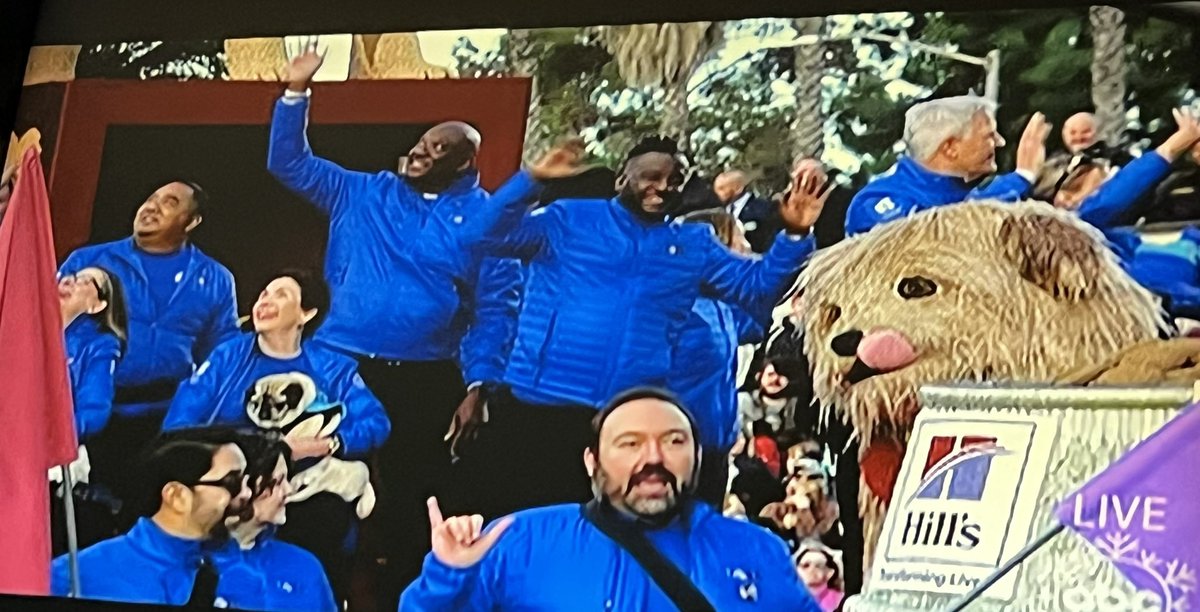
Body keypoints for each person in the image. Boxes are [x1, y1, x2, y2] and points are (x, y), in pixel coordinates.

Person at [267, 45, 577, 605]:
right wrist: (295, 93)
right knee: (315, 484)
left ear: (463, 163)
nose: (419, 150)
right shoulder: (360, 191)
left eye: (438, 147)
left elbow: (495, 311)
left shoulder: (487, 218)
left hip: (425, 377)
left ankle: (406, 597)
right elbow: (289, 162)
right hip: (339, 361)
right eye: (421, 140)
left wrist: (478, 385)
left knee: (416, 502)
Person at [468, 135, 829, 522]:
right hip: (535, 406)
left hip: (624, 418)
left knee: (611, 541)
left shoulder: (693, 245)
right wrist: (532, 179)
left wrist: (794, 235)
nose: (663, 187)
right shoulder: (569, 218)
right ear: (622, 178)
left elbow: (757, 286)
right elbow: (482, 234)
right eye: (651, 176)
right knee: (516, 528)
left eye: (675, 180)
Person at [399, 388, 822, 611]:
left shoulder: (755, 549)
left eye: (673, 441)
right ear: (592, 462)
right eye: (630, 443)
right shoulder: (519, 539)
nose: (653, 458)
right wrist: (447, 575)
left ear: (696, 458)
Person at [162, 268, 389, 604]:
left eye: (280, 294)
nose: (265, 300)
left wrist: (330, 444)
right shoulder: (228, 356)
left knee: (327, 514)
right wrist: (258, 449)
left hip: (302, 491)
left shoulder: (333, 367)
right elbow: (178, 424)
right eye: (264, 293)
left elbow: (376, 422)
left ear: (306, 313)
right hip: (236, 482)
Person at [58, 179, 238, 531]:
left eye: (169, 202)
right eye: (150, 198)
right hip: (89, 410)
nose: (151, 206)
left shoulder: (216, 279)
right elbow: (48, 322)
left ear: (192, 221)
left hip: (165, 419)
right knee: (80, 519)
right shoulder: (90, 261)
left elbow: (222, 354)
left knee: (142, 516)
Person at [51, 427, 252, 607]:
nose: (247, 494)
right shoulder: (72, 576)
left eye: (246, 480)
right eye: (232, 482)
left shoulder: (247, 573)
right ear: (176, 495)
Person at [845, 95, 1050, 236]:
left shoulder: (965, 195)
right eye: (988, 135)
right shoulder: (877, 199)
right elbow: (934, 241)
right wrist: (1019, 178)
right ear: (950, 147)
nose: (1000, 142)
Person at [669, 208, 764, 506]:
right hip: (675, 450)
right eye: (740, 239)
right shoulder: (674, 309)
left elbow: (762, 318)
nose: (748, 247)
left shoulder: (722, 307)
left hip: (715, 451)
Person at [214, 433, 338, 612]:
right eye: (278, 482)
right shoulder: (192, 563)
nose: (288, 490)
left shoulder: (304, 566)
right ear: (243, 487)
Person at [59, 266, 128, 441]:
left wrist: (53, 435)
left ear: (96, 306)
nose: (68, 281)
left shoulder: (101, 346)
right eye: (71, 276)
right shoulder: (21, 327)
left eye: (85, 280)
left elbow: (94, 411)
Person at [713, 170, 782, 253]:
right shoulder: (720, 212)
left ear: (738, 188)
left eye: (722, 188)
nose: (717, 193)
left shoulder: (763, 209)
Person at [795, 543, 845, 612]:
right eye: (805, 565)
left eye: (818, 565)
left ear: (830, 573)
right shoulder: (790, 599)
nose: (811, 569)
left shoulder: (841, 600)